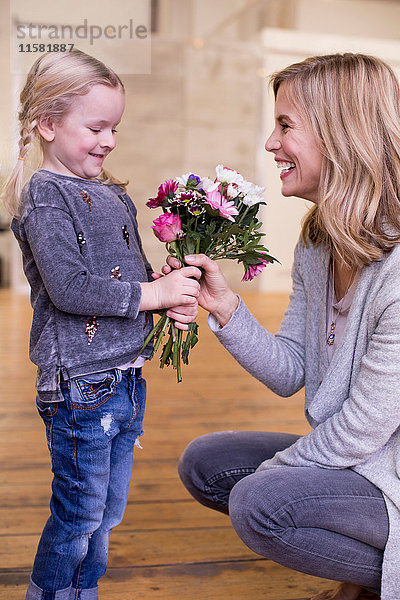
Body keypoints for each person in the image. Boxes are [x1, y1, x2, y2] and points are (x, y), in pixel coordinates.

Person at [168, 53, 400, 600]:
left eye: (285, 125)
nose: (271, 143)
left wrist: (270, 476)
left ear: (342, 134)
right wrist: (224, 307)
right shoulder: (321, 240)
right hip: (356, 460)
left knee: (260, 503)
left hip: (388, 472)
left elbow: (360, 433)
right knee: (208, 463)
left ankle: (373, 582)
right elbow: (290, 369)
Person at [3, 49, 201, 600]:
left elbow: (132, 281)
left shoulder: (113, 194)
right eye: (96, 127)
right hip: (80, 384)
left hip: (124, 379)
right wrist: (149, 293)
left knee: (106, 513)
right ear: (46, 123)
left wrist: (167, 294)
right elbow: (70, 290)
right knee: (79, 513)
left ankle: (82, 591)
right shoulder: (45, 196)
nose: (109, 139)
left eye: (114, 127)